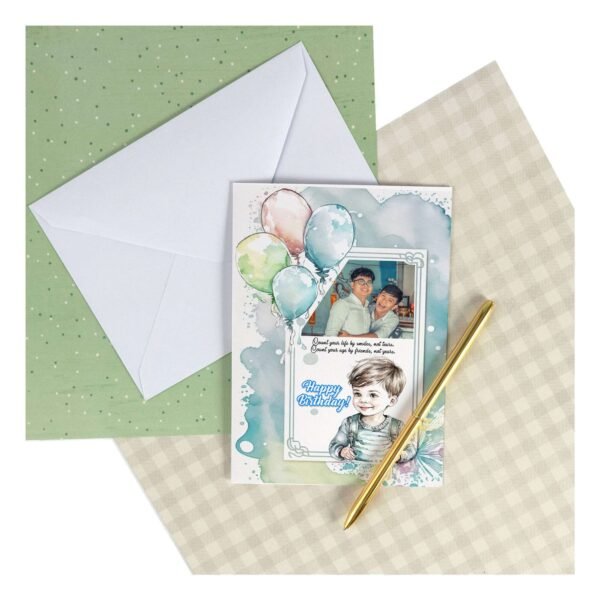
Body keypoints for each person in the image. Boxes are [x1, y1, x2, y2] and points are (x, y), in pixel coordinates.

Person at [329, 358, 417, 463]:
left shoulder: (396, 426)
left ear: (391, 401)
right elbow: (335, 445)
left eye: (372, 395)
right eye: (357, 393)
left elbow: (410, 448)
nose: (363, 400)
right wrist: (341, 451)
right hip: (356, 467)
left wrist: (400, 455)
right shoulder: (350, 423)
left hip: (384, 469)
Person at [324, 267, 375, 337]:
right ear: (352, 285)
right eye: (361, 281)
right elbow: (330, 335)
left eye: (369, 282)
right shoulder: (343, 304)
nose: (365, 285)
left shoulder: (368, 307)